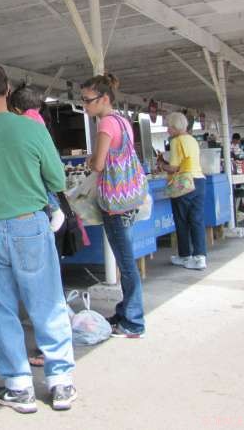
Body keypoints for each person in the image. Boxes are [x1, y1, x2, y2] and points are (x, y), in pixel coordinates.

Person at [0, 63, 77, 413]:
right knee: (46, 301)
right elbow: (57, 180)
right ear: (7, 88)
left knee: (1, 307)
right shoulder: (31, 129)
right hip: (29, 225)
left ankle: (19, 386)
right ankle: (60, 382)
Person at [81, 73, 146, 339]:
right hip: (128, 200)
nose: (85, 106)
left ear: (104, 98)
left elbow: (98, 164)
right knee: (126, 260)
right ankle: (125, 311)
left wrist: (89, 159)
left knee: (126, 264)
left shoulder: (106, 124)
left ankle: (133, 321)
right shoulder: (122, 121)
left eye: (88, 101)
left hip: (115, 205)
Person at [8, 83, 65, 233]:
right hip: (46, 156)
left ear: (16, 109)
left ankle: (56, 210)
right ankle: (56, 210)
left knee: (42, 184)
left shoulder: (25, 121)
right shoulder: (37, 117)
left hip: (37, 162)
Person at [158, 112, 207, 270]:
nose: (167, 130)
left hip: (184, 183)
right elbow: (186, 162)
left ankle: (184, 255)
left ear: (175, 127)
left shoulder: (176, 141)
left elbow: (174, 167)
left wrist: (162, 165)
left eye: (169, 127)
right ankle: (200, 257)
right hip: (199, 181)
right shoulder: (192, 140)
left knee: (182, 221)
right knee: (196, 220)